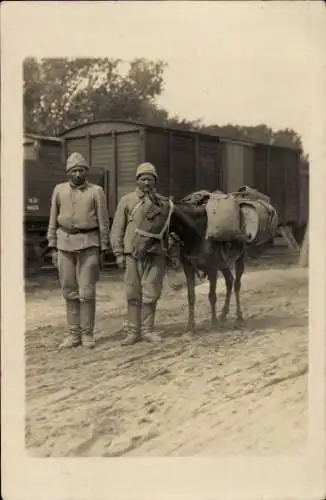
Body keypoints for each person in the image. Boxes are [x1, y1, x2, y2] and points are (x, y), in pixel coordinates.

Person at [47, 152, 110, 349]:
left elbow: (103, 220)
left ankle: (87, 334)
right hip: (64, 242)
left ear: (86, 172)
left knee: (86, 291)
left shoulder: (96, 191)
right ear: (68, 173)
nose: (77, 174)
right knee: (69, 290)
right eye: (73, 170)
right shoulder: (59, 190)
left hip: (89, 243)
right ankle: (73, 335)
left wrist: (103, 247)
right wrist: (53, 245)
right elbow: (52, 219)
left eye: (81, 170)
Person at [110, 162, 169, 346]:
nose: (146, 183)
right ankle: (133, 332)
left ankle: (147, 330)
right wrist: (118, 252)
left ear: (155, 181)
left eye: (150, 179)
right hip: (132, 254)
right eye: (143, 179)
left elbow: (169, 231)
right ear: (137, 181)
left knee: (151, 292)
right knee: (133, 293)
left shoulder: (163, 203)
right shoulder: (127, 201)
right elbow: (117, 228)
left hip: (155, 253)